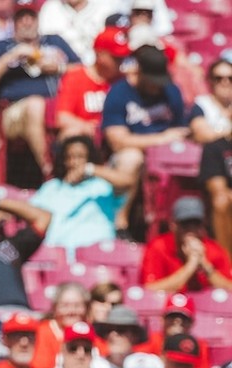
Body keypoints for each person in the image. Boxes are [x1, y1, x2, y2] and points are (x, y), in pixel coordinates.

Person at [0, 0, 77, 179]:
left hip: (57, 107)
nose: (27, 22)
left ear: (38, 19)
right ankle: (49, 171)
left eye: (31, 17)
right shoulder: (1, 47)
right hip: (13, 111)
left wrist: (58, 68)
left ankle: (78, 174)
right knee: (35, 105)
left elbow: (84, 71)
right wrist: (10, 58)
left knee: (74, 121)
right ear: (14, 21)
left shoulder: (54, 42)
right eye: (21, 18)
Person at [101, 45, 193, 236]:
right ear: (139, 71)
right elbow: (117, 141)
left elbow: (180, 130)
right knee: (131, 159)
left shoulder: (171, 91)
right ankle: (120, 224)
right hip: (130, 156)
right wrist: (160, 139)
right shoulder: (119, 93)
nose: (156, 85)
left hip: (165, 157)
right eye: (152, 80)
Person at [31, 135, 132, 251]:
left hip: (97, 253)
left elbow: (127, 182)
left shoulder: (102, 185)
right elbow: (34, 215)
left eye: (80, 157)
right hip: (56, 253)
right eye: (69, 157)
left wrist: (89, 169)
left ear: (89, 159)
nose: (74, 162)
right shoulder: (51, 187)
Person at [141, 197, 232, 293]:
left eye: (196, 224)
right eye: (185, 224)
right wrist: (191, 265)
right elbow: (149, 290)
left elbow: (229, 287)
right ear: (173, 224)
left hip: (206, 306)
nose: (191, 230)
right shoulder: (159, 247)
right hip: (170, 306)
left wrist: (205, 266)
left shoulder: (214, 249)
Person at [54, 27, 130, 140]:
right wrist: (86, 127)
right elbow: (63, 118)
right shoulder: (76, 77)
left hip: (118, 137)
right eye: (115, 58)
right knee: (71, 133)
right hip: (87, 139)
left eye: (122, 58)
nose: (120, 62)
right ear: (99, 54)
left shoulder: (124, 79)